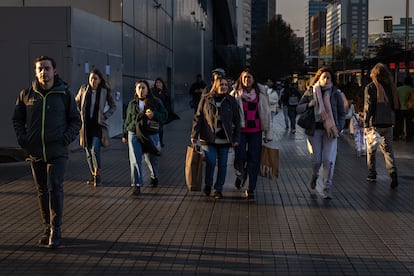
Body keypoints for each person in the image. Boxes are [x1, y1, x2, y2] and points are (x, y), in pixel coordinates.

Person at [12, 55, 81, 248]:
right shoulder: (27, 95)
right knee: (42, 190)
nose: (44, 72)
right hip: (35, 151)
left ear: (54, 71)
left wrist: (65, 139)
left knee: (55, 187)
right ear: (36, 72)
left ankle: (56, 230)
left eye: (47, 68)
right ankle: (46, 228)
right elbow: (17, 119)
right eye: (40, 69)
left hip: (57, 151)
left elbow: (76, 121)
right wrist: (23, 139)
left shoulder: (64, 94)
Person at [297, 67, 345, 199]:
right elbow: (298, 108)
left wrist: (339, 127)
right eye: (323, 77)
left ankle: (326, 187)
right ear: (318, 78)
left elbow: (342, 113)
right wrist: (309, 104)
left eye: (328, 77)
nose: (326, 80)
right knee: (316, 160)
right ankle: (314, 176)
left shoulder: (335, 93)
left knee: (328, 160)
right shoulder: (311, 92)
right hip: (315, 130)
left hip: (331, 131)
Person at [190, 76, 240, 199]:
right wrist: (194, 134)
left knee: (222, 165)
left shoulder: (231, 100)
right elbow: (198, 117)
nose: (223, 87)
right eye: (221, 84)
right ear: (216, 86)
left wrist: (236, 138)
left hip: (225, 139)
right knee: (211, 163)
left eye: (225, 85)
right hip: (208, 138)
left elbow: (237, 120)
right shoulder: (206, 99)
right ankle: (208, 184)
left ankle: (218, 189)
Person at [230, 69, 272, 200]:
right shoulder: (235, 94)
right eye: (244, 77)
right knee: (240, 156)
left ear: (253, 79)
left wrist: (267, 133)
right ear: (241, 79)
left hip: (256, 130)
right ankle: (240, 175)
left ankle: (250, 187)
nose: (247, 79)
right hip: (240, 131)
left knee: (254, 159)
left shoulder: (261, 93)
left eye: (249, 77)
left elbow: (266, 113)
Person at [122, 80, 168, 195]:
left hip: (150, 133)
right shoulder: (132, 104)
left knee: (151, 158)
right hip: (134, 132)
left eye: (143, 88)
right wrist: (124, 134)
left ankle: (154, 175)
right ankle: (136, 184)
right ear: (135, 90)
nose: (141, 90)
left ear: (147, 89)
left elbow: (165, 116)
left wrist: (154, 115)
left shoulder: (156, 102)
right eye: (139, 88)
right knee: (135, 159)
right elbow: (128, 120)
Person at [75, 68, 116, 187]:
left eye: (95, 79)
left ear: (99, 80)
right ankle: (94, 174)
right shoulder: (83, 89)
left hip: (98, 125)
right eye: (91, 78)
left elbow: (113, 106)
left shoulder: (104, 91)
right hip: (86, 125)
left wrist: (105, 115)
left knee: (95, 150)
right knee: (87, 151)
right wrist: (79, 114)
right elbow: (76, 102)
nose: (93, 81)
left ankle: (97, 174)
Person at [363, 63, 399, 189]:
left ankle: (372, 174)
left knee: (371, 150)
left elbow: (369, 106)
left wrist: (366, 123)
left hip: (375, 123)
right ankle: (393, 172)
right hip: (389, 122)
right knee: (388, 150)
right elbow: (395, 105)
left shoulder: (371, 87)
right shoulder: (391, 87)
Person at [151, 77, 180, 147]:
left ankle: (160, 142)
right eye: (157, 83)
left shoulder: (165, 92)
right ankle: (155, 142)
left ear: (162, 84)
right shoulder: (152, 92)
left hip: (161, 113)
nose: (158, 84)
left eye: (160, 83)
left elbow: (168, 103)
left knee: (160, 128)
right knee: (154, 128)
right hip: (154, 112)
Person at [395, 75, 413, 141]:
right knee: (409, 123)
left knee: (399, 123)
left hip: (399, 108)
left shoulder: (399, 89)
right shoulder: (411, 89)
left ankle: (398, 135)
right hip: (409, 108)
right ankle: (408, 136)